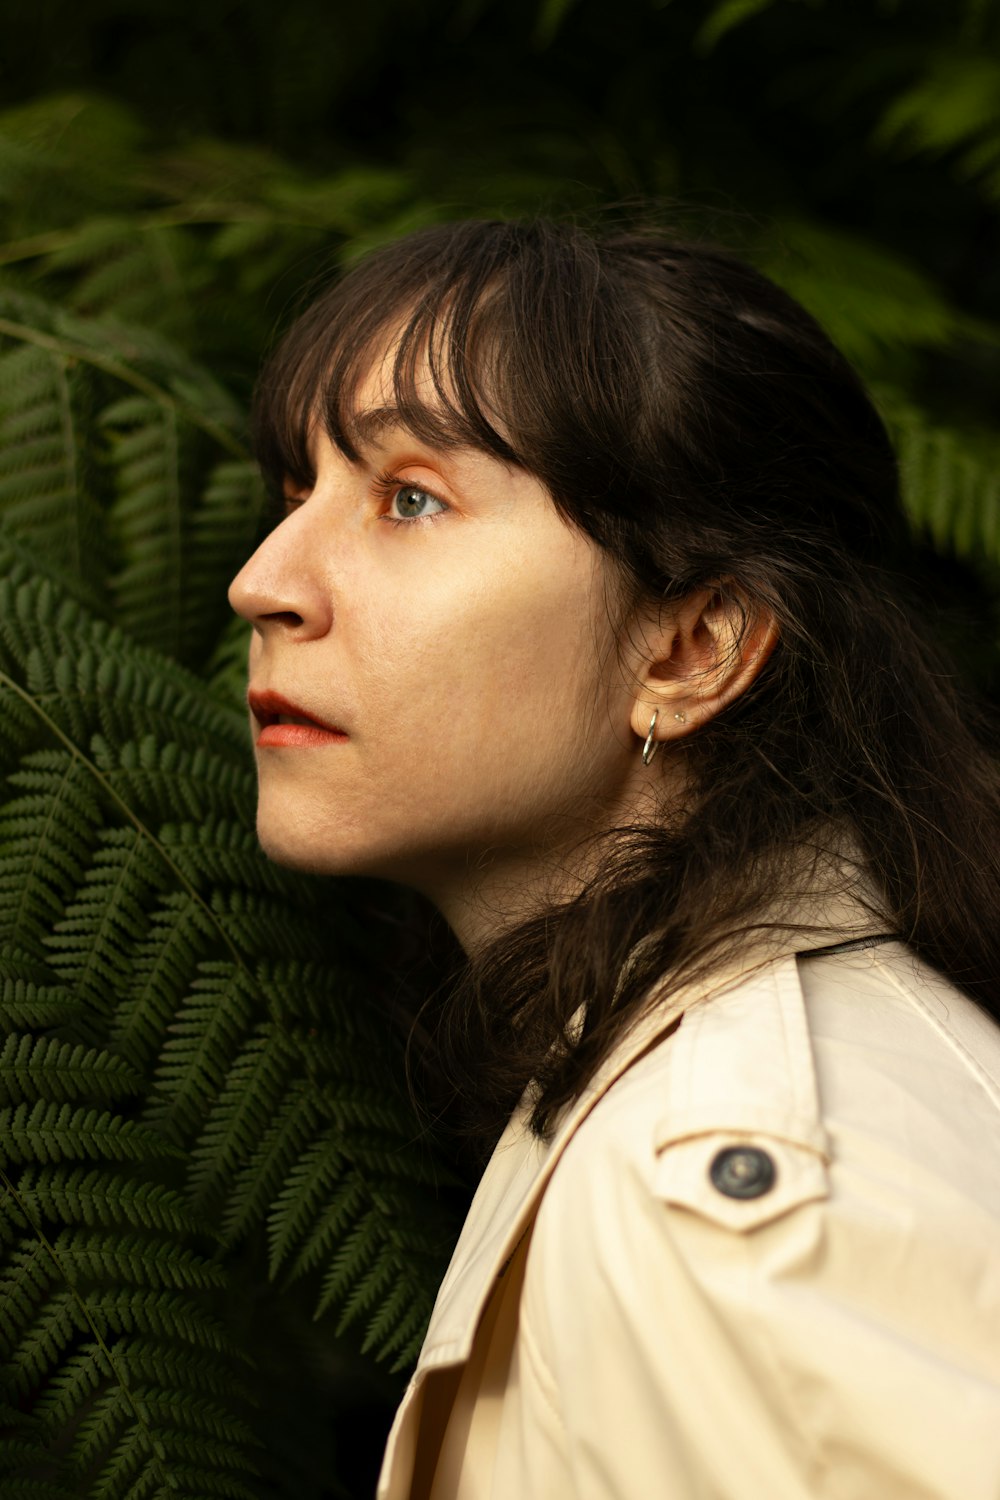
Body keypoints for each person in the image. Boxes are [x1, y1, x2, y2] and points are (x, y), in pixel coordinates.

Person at [227, 218, 1000, 1500]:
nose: (265, 581)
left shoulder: (720, 1217)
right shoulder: (771, 1076)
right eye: (295, 494)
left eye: (409, 500)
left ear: (691, 649)